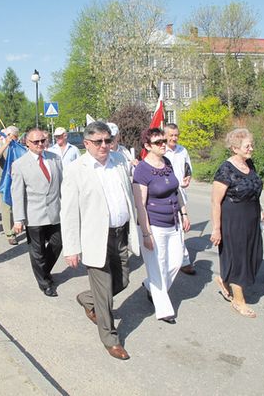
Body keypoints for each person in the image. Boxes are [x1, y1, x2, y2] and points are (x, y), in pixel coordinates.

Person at [61, 121, 139, 360]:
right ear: (86, 144)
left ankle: (86, 298)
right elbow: (69, 211)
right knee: (104, 291)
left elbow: (128, 198)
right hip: (96, 238)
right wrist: (72, 247)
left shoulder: (119, 162)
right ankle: (110, 338)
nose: (104, 145)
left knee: (123, 280)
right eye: (98, 142)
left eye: (107, 140)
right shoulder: (76, 169)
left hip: (120, 233)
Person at [133, 127, 190, 324]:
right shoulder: (141, 170)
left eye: (164, 141)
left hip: (173, 222)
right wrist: (146, 233)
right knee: (158, 266)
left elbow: (176, 191)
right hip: (154, 225)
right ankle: (164, 309)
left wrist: (184, 213)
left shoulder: (167, 163)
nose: (164, 144)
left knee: (175, 263)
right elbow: (140, 204)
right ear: (147, 146)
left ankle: (150, 286)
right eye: (158, 142)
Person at [210, 128, 263, 318]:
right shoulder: (226, 169)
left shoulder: (250, 164)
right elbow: (216, 201)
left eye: (251, 144)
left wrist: (261, 210)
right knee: (239, 258)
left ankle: (225, 280)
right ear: (234, 148)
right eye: (247, 146)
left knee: (254, 256)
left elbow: (254, 188)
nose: (251, 148)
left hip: (252, 218)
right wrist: (217, 229)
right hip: (233, 220)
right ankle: (239, 301)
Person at [11, 128, 63, 297]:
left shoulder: (54, 159)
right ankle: (44, 283)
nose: (40, 144)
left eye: (43, 141)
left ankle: (43, 270)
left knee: (58, 242)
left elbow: (62, 185)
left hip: (55, 211)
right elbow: (17, 194)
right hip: (34, 214)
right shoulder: (19, 164)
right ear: (27, 143)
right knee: (37, 250)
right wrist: (18, 219)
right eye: (36, 142)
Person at [164, 123, 195, 275]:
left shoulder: (183, 150)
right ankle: (177, 259)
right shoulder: (162, 152)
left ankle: (184, 261)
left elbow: (188, 168)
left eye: (176, 135)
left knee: (179, 229)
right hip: (166, 196)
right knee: (172, 229)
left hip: (180, 195)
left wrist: (188, 178)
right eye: (171, 135)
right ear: (165, 136)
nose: (174, 138)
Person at [0, 126, 19, 246]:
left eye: (17, 136)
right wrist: (6, 144)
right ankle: (9, 233)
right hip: (3, 180)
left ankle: (16, 227)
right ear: (8, 135)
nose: (16, 139)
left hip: (16, 179)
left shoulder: (17, 146)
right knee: (6, 207)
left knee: (16, 206)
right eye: (14, 136)